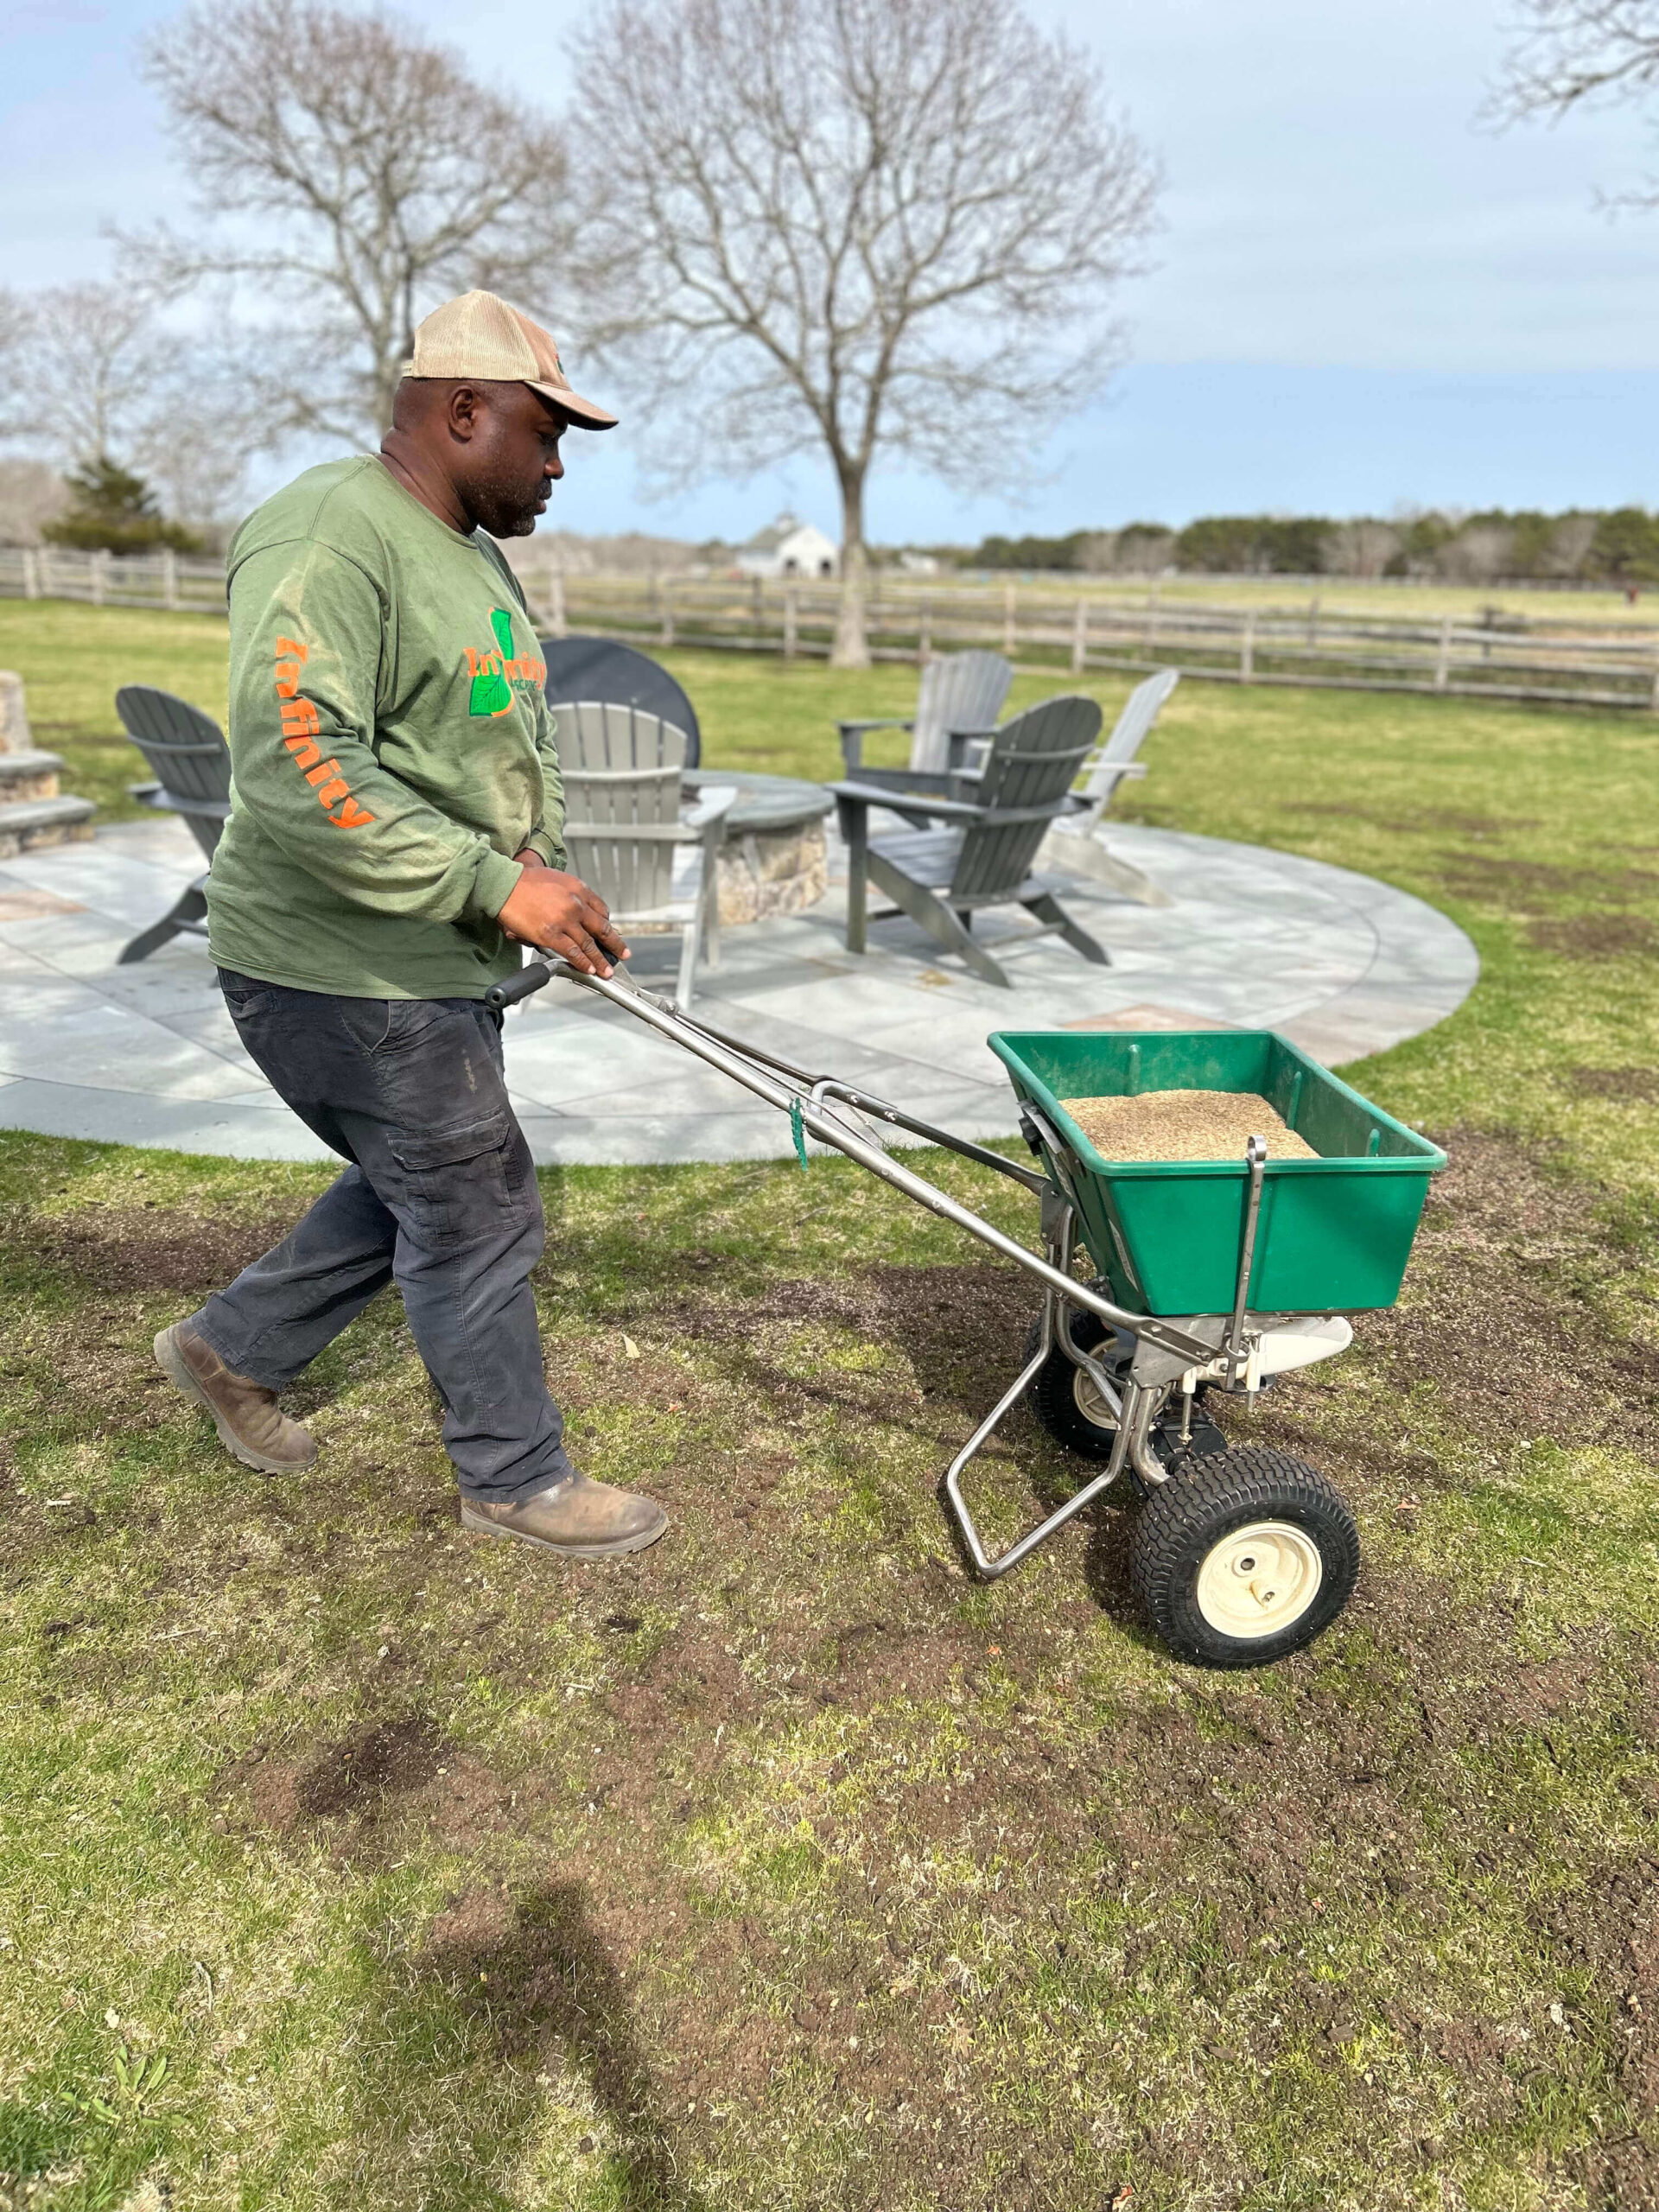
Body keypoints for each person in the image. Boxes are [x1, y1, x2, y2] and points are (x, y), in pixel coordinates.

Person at [153, 289, 667, 1560]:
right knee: (477, 1205)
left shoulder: (470, 553)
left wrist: (537, 869)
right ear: (461, 410)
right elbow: (296, 764)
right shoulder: (331, 535)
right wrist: (494, 886)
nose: (555, 468)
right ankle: (515, 1476)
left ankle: (232, 1348)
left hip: (423, 959)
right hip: (338, 969)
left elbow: (471, 738)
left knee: (422, 1185)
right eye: (545, 438)